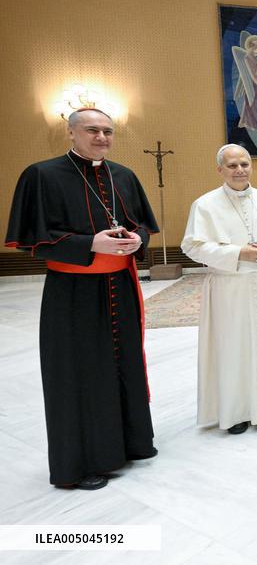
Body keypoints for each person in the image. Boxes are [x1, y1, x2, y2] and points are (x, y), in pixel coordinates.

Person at [5, 108, 159, 490]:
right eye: (92, 130)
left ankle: (133, 443)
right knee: (80, 375)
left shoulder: (123, 175)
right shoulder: (41, 175)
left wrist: (138, 238)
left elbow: (141, 224)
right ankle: (82, 463)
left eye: (107, 131)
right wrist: (90, 242)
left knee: (124, 365)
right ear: (71, 132)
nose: (102, 137)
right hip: (73, 294)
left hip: (119, 287)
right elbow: (35, 240)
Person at [181, 144, 257, 434]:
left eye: (244, 164)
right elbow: (192, 245)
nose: (239, 170)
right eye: (232, 165)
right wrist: (238, 253)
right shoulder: (205, 205)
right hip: (230, 289)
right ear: (220, 169)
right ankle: (235, 412)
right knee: (234, 348)